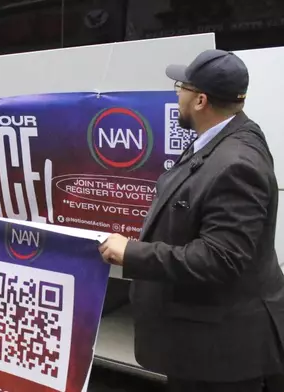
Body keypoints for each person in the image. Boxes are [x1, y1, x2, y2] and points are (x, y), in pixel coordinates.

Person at [98, 49, 284, 392]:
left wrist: (132, 253)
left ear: (200, 100)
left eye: (180, 87)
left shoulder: (237, 163)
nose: (177, 95)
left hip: (221, 358)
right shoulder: (221, 138)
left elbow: (220, 258)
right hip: (205, 344)